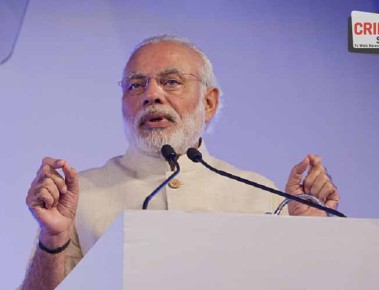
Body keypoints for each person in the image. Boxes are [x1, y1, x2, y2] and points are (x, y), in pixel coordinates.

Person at [21, 35, 339, 289]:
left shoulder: (261, 195)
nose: (152, 95)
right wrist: (54, 238)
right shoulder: (79, 197)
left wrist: (310, 237)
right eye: (136, 85)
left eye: (171, 81)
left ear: (209, 102)